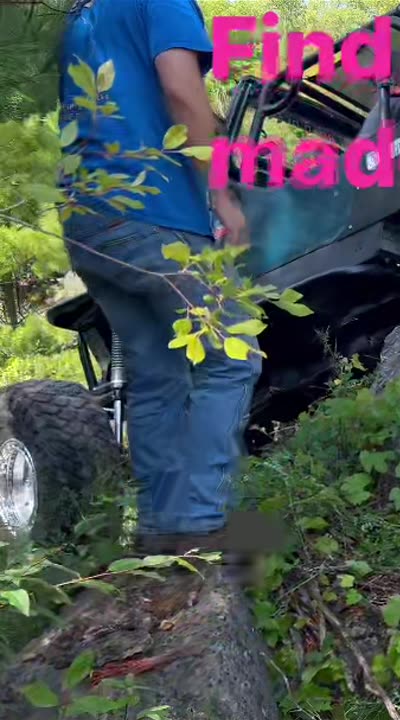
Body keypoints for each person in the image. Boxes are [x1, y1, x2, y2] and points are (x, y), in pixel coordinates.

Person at [57, 0, 263, 559]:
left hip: (88, 221)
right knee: (233, 354)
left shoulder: (86, 19)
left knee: (156, 376)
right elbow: (180, 89)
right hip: (153, 212)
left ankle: (162, 530)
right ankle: (201, 520)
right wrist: (220, 191)